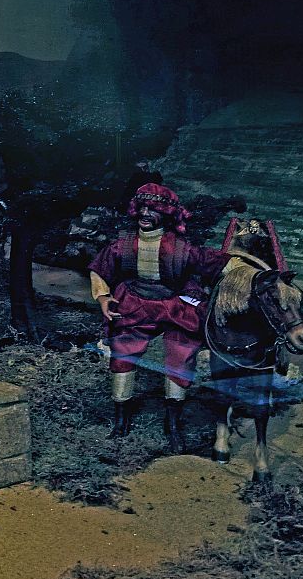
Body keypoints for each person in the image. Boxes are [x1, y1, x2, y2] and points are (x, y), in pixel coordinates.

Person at [88, 183, 229, 451]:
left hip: (174, 304)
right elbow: (99, 269)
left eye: (152, 210)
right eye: (142, 208)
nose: (145, 214)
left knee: (180, 352)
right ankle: (121, 421)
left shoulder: (182, 248)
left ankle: (172, 424)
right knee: (123, 352)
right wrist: (103, 297)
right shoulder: (123, 245)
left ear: (166, 214)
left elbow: (218, 263)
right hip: (134, 303)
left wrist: (248, 272)